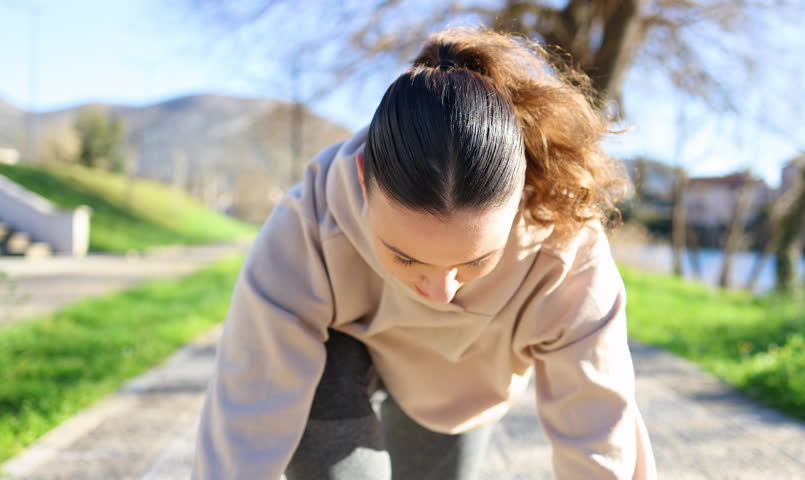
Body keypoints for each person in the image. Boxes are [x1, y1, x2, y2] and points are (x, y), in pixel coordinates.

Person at [192, 26, 656, 480]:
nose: (440, 292)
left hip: (460, 385)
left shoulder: (567, 252)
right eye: (407, 258)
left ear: (518, 201)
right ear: (361, 182)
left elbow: (600, 434)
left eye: (474, 262)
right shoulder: (309, 222)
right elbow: (249, 409)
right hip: (337, 359)